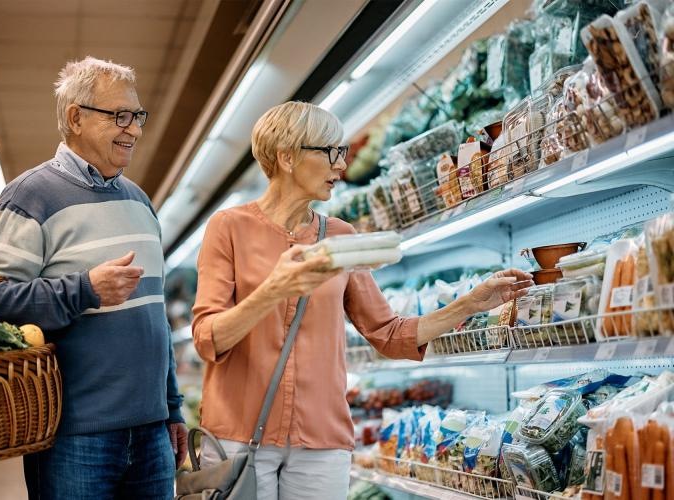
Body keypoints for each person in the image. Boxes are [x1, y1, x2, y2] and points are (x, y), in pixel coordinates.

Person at [191, 101, 533, 500]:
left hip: (320, 440)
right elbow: (208, 338)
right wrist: (274, 289)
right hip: (240, 435)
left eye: (343, 152)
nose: (342, 165)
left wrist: (470, 305)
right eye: (331, 152)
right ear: (286, 156)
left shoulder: (340, 235)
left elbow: (388, 334)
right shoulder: (229, 227)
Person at [0, 56, 186, 500]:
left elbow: (155, 319)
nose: (135, 130)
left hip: (151, 433)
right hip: (73, 435)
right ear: (76, 117)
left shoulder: (141, 202)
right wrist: (83, 290)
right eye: (120, 116)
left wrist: (173, 406)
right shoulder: (30, 197)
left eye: (137, 116)